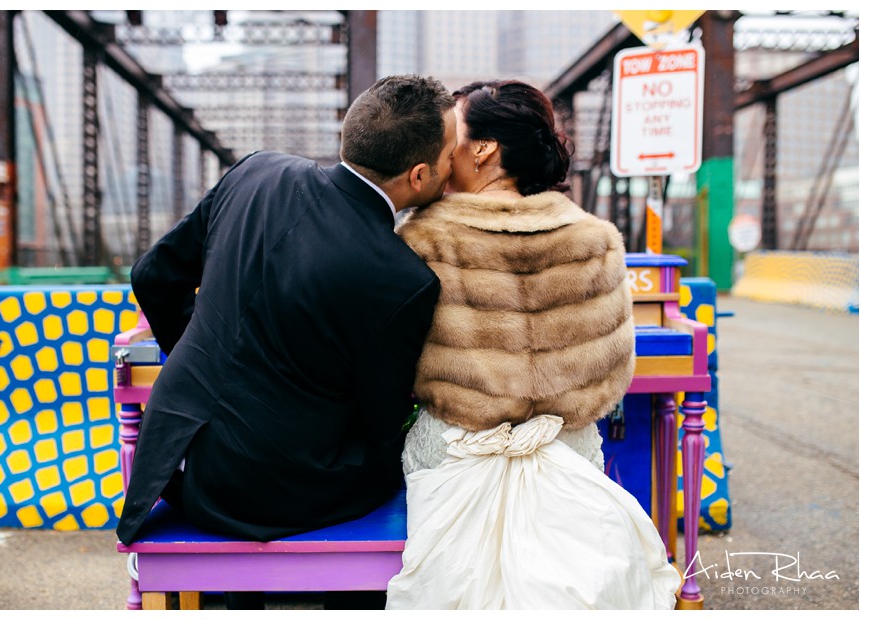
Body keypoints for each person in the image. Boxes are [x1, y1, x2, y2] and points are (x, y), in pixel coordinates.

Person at [116, 75, 456, 567]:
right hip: (284, 497)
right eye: (451, 156)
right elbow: (381, 420)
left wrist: (205, 354)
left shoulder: (257, 172)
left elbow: (152, 276)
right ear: (420, 176)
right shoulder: (404, 280)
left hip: (179, 468)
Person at [386, 80, 681, 609]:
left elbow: (394, 365)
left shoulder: (422, 238)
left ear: (483, 148)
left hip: (453, 458)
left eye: (450, 126)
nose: (439, 139)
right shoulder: (594, 240)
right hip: (566, 455)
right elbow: (613, 375)